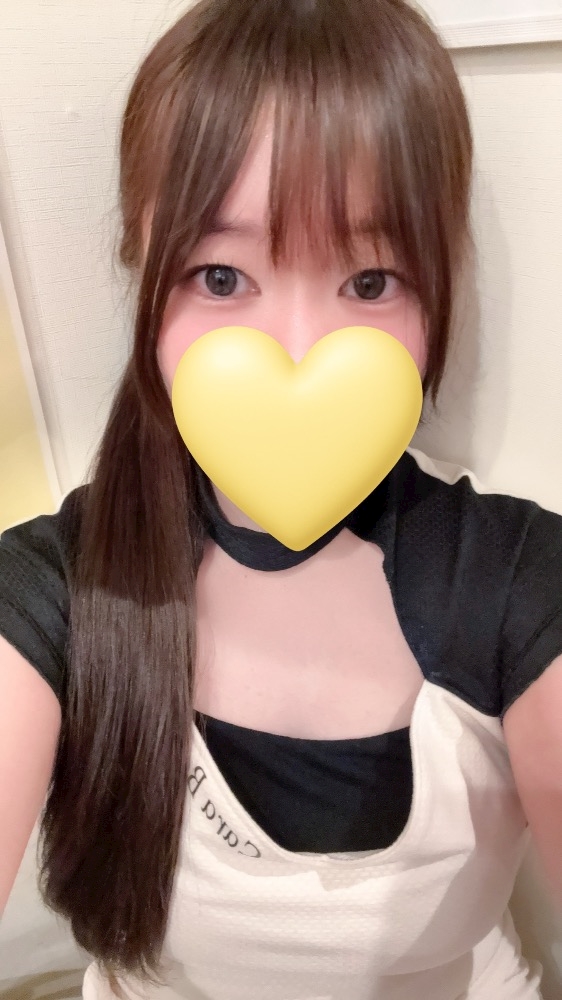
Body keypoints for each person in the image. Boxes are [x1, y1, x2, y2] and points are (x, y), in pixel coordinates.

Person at [0, 0, 561, 997]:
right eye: (221, 277)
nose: (297, 350)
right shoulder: (53, 585)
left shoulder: (516, 578)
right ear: (143, 276)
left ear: (438, 292)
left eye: (370, 281)